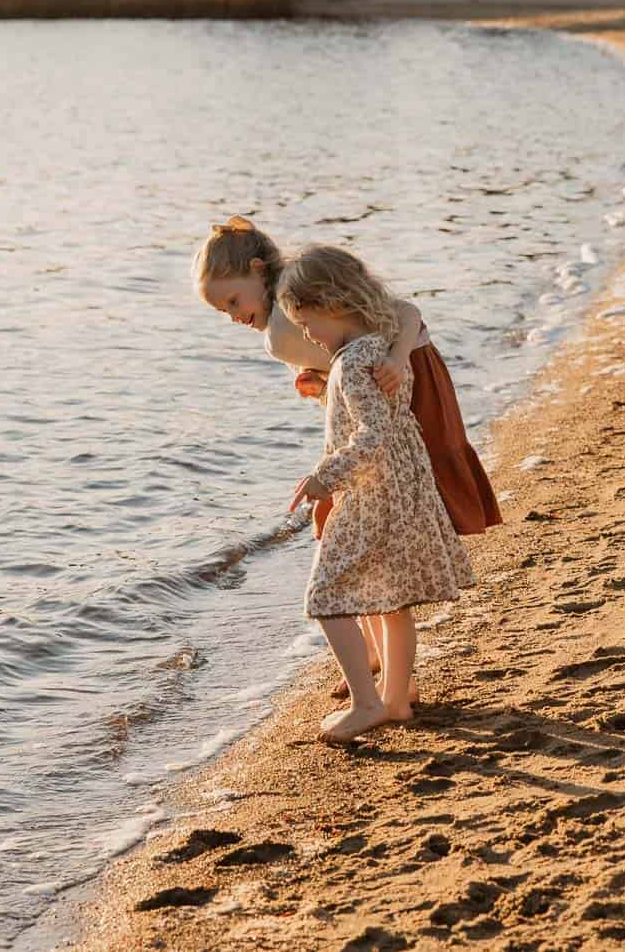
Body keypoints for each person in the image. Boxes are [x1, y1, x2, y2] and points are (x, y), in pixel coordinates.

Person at [192, 215, 501, 696]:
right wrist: (322, 387)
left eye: (233, 300)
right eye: (222, 311)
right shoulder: (293, 312)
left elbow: (403, 312)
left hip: (405, 378)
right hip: (388, 392)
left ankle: (385, 661)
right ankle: (379, 655)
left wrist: (398, 358)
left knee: (376, 520)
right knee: (367, 521)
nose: (233, 315)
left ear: (259, 269)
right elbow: (346, 375)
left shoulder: (291, 310)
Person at [277, 244, 475, 743]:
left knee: (326, 594)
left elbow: (372, 432)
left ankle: (366, 701)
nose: (305, 336)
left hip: (372, 495)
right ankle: (395, 700)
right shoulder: (381, 345)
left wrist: (327, 475)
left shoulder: (355, 360)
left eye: (305, 324)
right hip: (402, 487)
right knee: (390, 603)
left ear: (334, 304)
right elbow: (384, 408)